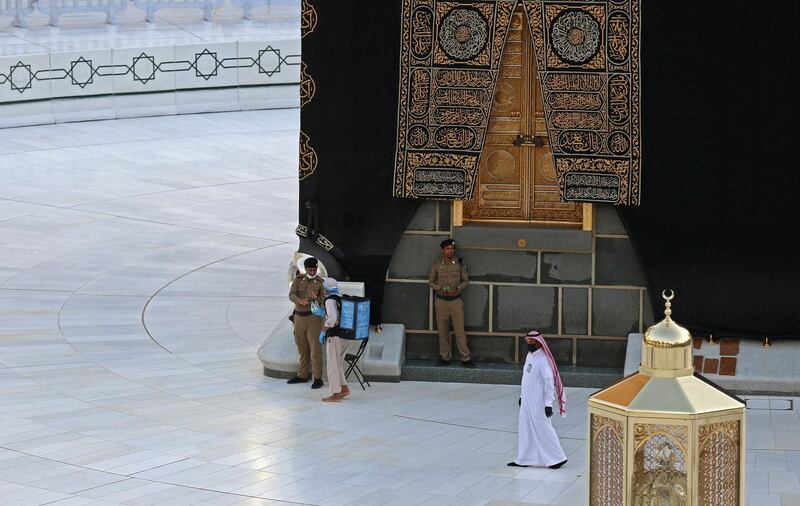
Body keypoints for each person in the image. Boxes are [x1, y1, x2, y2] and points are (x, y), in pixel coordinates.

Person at [508, 330, 568, 469]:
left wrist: (548, 404)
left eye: (531, 341)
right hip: (527, 401)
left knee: (544, 427)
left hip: (539, 402)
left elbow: (549, 382)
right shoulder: (530, 356)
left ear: (538, 342)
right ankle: (524, 459)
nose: (528, 343)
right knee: (525, 428)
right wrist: (522, 397)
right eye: (527, 341)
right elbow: (527, 378)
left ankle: (558, 458)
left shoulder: (543, 360)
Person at [429, 238, 474, 367]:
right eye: (448, 249)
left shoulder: (459, 263)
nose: (450, 251)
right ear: (443, 250)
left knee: (460, 331)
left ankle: (465, 358)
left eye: (452, 249)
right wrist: (440, 288)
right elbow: (431, 282)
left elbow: (466, 280)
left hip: (456, 301)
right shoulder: (436, 263)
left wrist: (458, 288)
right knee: (442, 331)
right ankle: (444, 357)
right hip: (441, 301)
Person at [287, 257, 325, 389]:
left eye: (315, 269)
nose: (313, 271)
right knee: (302, 347)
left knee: (315, 349)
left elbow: (324, 300)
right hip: (299, 318)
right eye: (311, 269)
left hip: (313, 318)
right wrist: (298, 301)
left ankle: (318, 378)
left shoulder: (320, 282)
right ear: (306, 268)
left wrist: (317, 299)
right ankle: (302, 375)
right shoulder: (298, 280)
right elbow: (291, 294)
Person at [318, 278, 352, 402]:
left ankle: (335, 394)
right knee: (338, 364)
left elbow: (332, 319)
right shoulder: (341, 297)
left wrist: (323, 331)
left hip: (335, 336)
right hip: (346, 336)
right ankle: (344, 389)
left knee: (332, 365)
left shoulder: (330, 300)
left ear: (326, 288)